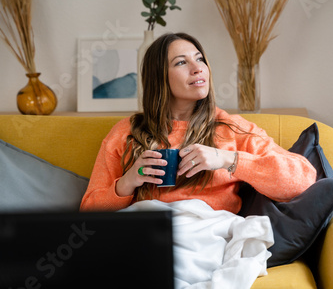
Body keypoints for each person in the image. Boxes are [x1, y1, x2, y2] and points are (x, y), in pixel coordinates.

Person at [80, 32, 316, 213]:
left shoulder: (231, 128)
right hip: (147, 232)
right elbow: (89, 211)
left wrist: (227, 159)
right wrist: (128, 182)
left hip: (205, 234)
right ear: (159, 77)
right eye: (181, 63)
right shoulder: (127, 133)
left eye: (199, 59)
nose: (197, 69)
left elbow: (302, 180)